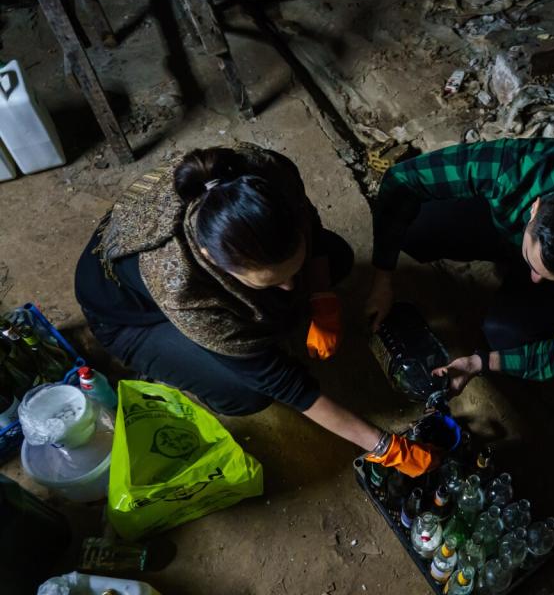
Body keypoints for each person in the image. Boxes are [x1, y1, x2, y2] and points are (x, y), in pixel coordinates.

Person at [75, 143, 433, 476]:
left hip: (222, 272)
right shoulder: (177, 281)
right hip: (132, 321)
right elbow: (283, 382)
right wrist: (384, 446)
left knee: (335, 257)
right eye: (270, 281)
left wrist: (322, 299)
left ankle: (275, 291)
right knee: (246, 392)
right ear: (211, 259)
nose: (291, 287)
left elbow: (316, 235)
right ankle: (182, 364)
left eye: (291, 269)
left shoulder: (267, 174)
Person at [365, 138, 554, 395]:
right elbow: (401, 180)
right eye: (533, 264)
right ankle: (528, 259)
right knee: (415, 230)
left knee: (507, 336)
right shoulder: (513, 169)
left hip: (535, 239)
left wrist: (478, 363)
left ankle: (540, 278)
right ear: (535, 208)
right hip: (506, 221)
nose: (535, 278)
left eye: (551, 276)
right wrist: (382, 277)